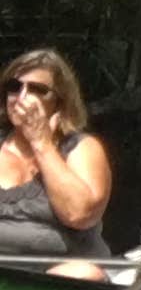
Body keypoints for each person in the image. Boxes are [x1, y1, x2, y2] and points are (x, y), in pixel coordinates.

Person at [0, 47, 112, 270]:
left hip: (59, 275)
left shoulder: (81, 148)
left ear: (60, 102)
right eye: (14, 87)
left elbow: (79, 214)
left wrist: (42, 143)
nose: (21, 98)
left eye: (36, 89)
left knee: (84, 274)